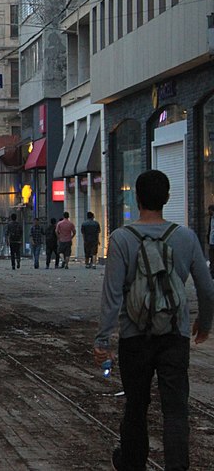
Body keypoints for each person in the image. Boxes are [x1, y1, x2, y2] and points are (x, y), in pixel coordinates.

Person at [94, 170, 214, 471]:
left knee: (136, 406)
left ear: (137, 198)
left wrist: (103, 339)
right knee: (176, 410)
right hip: (175, 335)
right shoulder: (185, 237)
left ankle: (132, 464)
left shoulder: (121, 238)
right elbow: (207, 287)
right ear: (167, 198)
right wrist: (205, 324)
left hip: (135, 337)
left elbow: (112, 295)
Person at [207, 205, 214, 278]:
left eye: (209, 210)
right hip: (211, 241)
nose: (208, 212)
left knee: (212, 258)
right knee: (211, 258)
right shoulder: (211, 218)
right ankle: (212, 273)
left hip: (213, 241)